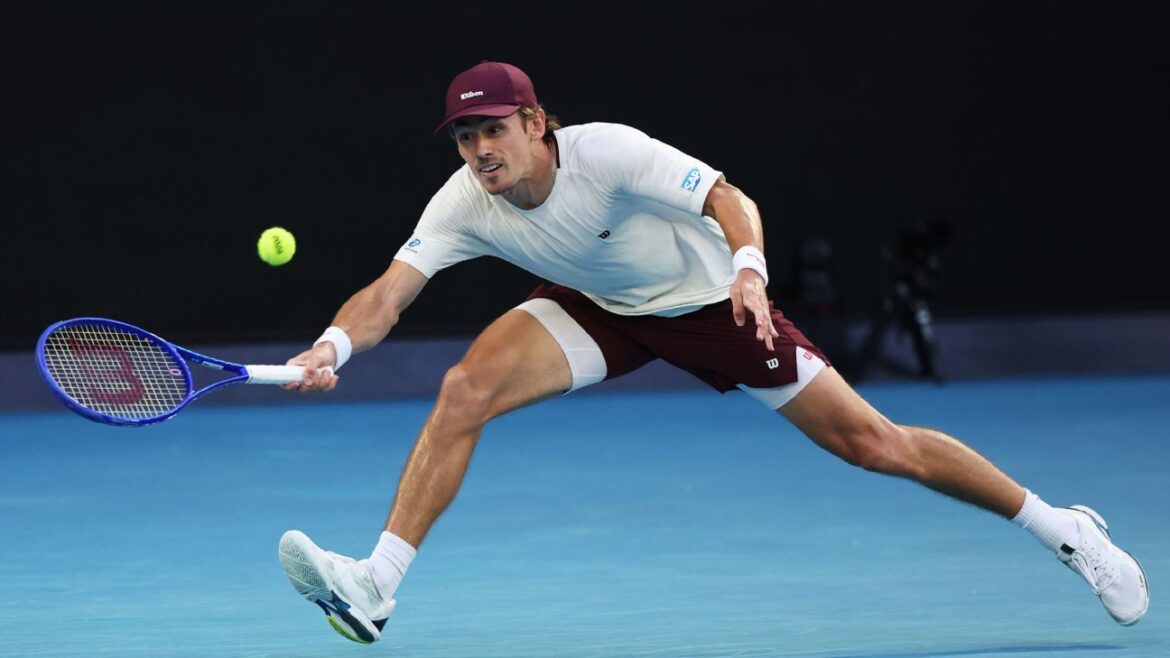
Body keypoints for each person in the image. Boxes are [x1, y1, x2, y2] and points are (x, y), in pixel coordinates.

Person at [276, 60, 1148, 644]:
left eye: (493, 131)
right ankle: (376, 583)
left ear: (536, 122)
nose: (479, 152)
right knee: (465, 389)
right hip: (600, 306)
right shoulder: (465, 201)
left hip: (712, 304)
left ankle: (1064, 529)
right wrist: (333, 344)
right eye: (465, 139)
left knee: (874, 444)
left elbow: (729, 198)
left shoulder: (608, 152)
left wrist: (749, 272)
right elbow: (390, 292)